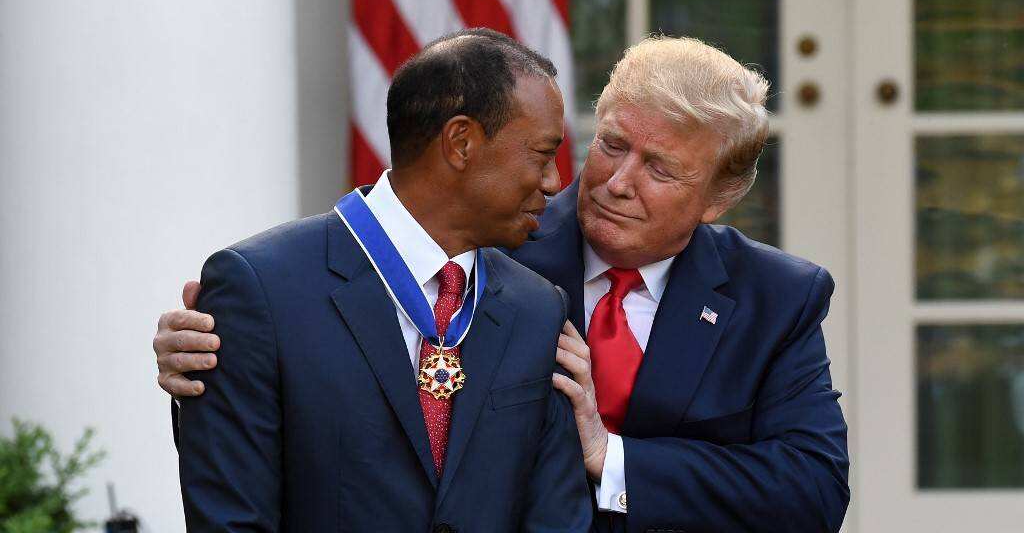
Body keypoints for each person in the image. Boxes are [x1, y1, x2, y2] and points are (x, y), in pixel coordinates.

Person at [157, 36, 850, 532]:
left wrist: (611, 460)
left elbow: (813, 489)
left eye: (660, 169)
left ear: (720, 197)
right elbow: (325, 329)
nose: (616, 181)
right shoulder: (488, 244)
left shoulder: (777, 298)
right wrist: (224, 351)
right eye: (611, 145)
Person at [169, 28, 592, 532]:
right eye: (542, 155)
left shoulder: (538, 308)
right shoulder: (261, 290)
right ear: (461, 142)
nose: (555, 182)